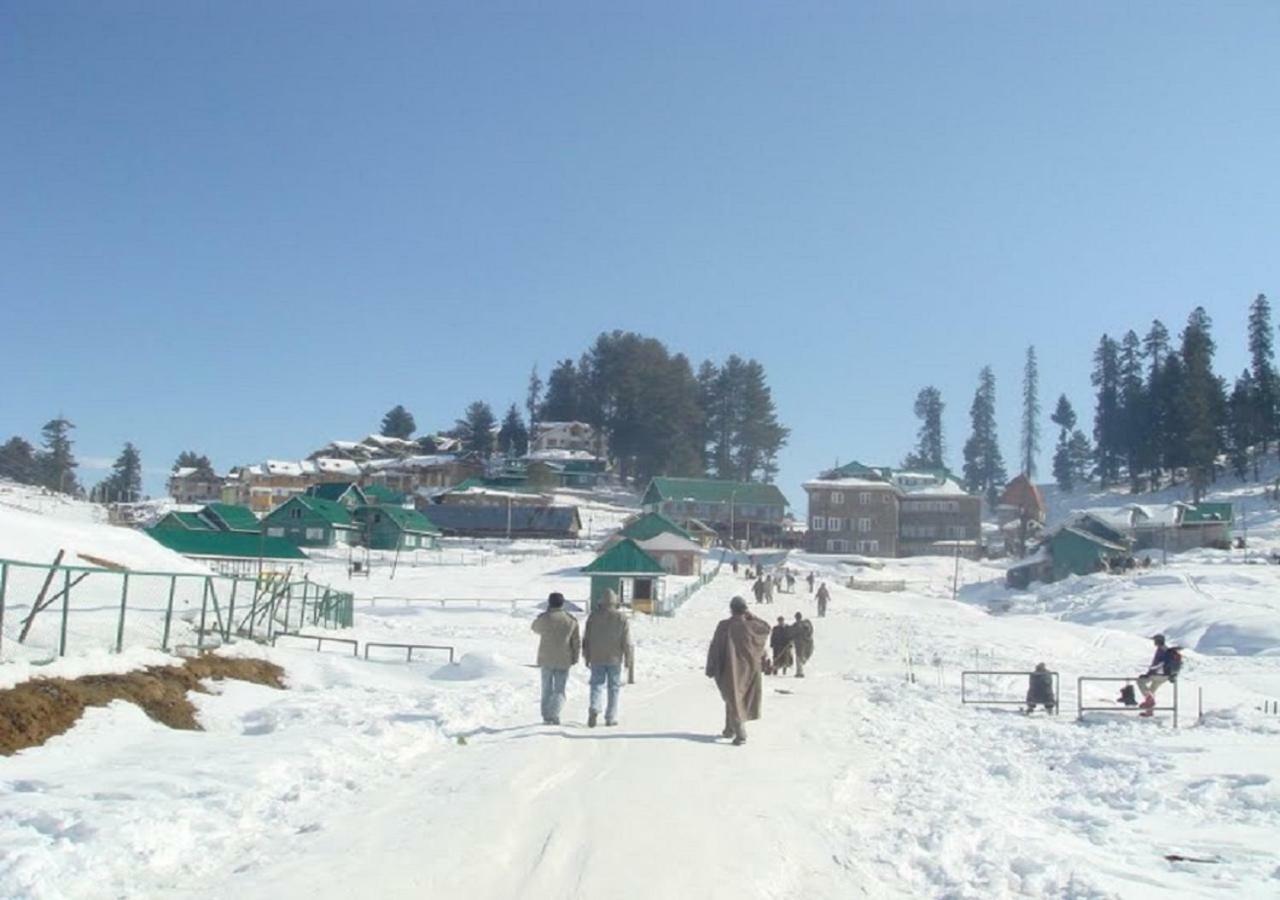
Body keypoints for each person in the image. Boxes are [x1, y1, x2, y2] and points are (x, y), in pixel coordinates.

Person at [705, 596, 771, 745]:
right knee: (735, 699)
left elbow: (714, 647)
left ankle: (741, 734)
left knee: (733, 699)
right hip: (748, 671)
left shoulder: (723, 626)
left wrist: (711, 666)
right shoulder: (752, 626)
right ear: (745, 609)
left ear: (731, 609)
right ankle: (729, 729)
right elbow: (767, 628)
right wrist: (752, 616)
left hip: (727, 669)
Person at [582, 589, 633, 727]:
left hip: (596, 657)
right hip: (614, 658)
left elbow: (586, 638)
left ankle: (594, 706)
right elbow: (626, 641)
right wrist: (628, 658)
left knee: (596, 684)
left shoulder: (593, 617)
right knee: (613, 688)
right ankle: (610, 717)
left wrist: (586, 655)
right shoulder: (621, 618)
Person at [531, 592, 581, 725]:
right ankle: (554, 713)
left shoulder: (545, 618)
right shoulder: (570, 620)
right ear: (563, 603)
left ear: (549, 602)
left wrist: (544, 615)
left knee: (546, 688)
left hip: (546, 658)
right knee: (560, 690)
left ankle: (547, 716)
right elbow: (576, 641)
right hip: (564, 658)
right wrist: (575, 657)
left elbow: (534, 627)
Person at [1136, 633, 1182, 716]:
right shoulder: (1168, 650)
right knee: (1151, 691)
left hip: (1158, 674)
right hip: (1166, 676)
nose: (1154, 642)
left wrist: (1149, 673)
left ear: (1158, 641)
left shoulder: (1161, 650)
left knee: (1140, 682)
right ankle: (1149, 712)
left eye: (1155, 640)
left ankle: (1149, 702)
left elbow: (1159, 664)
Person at [791, 612, 814, 678]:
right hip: (800, 643)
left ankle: (800, 670)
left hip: (804, 643)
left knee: (802, 657)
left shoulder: (805, 624)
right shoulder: (795, 625)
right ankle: (799, 672)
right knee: (799, 657)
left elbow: (809, 632)